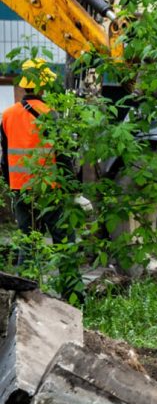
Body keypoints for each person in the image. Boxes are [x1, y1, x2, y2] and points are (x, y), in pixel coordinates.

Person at [1, 58, 83, 303]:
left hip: (21, 191)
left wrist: (13, 186)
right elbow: (63, 157)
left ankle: (24, 301)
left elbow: (5, 160)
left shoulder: (7, 116)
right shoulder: (52, 115)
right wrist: (75, 191)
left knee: (28, 245)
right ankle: (75, 300)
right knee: (65, 246)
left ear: (24, 85)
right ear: (44, 85)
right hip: (51, 192)